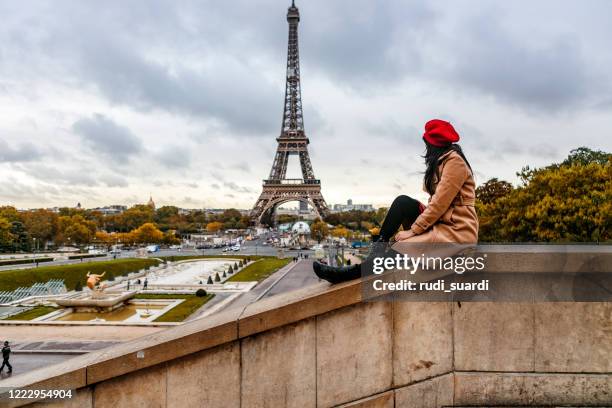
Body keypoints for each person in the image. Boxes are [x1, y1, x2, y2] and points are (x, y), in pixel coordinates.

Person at [313, 119, 478, 283]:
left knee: (401, 250)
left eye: (427, 144)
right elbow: (438, 205)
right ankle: (376, 253)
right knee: (402, 202)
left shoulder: (455, 162)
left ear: (433, 144)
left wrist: (413, 231)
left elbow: (439, 204)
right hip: (442, 224)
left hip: (456, 232)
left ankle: (350, 274)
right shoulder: (443, 160)